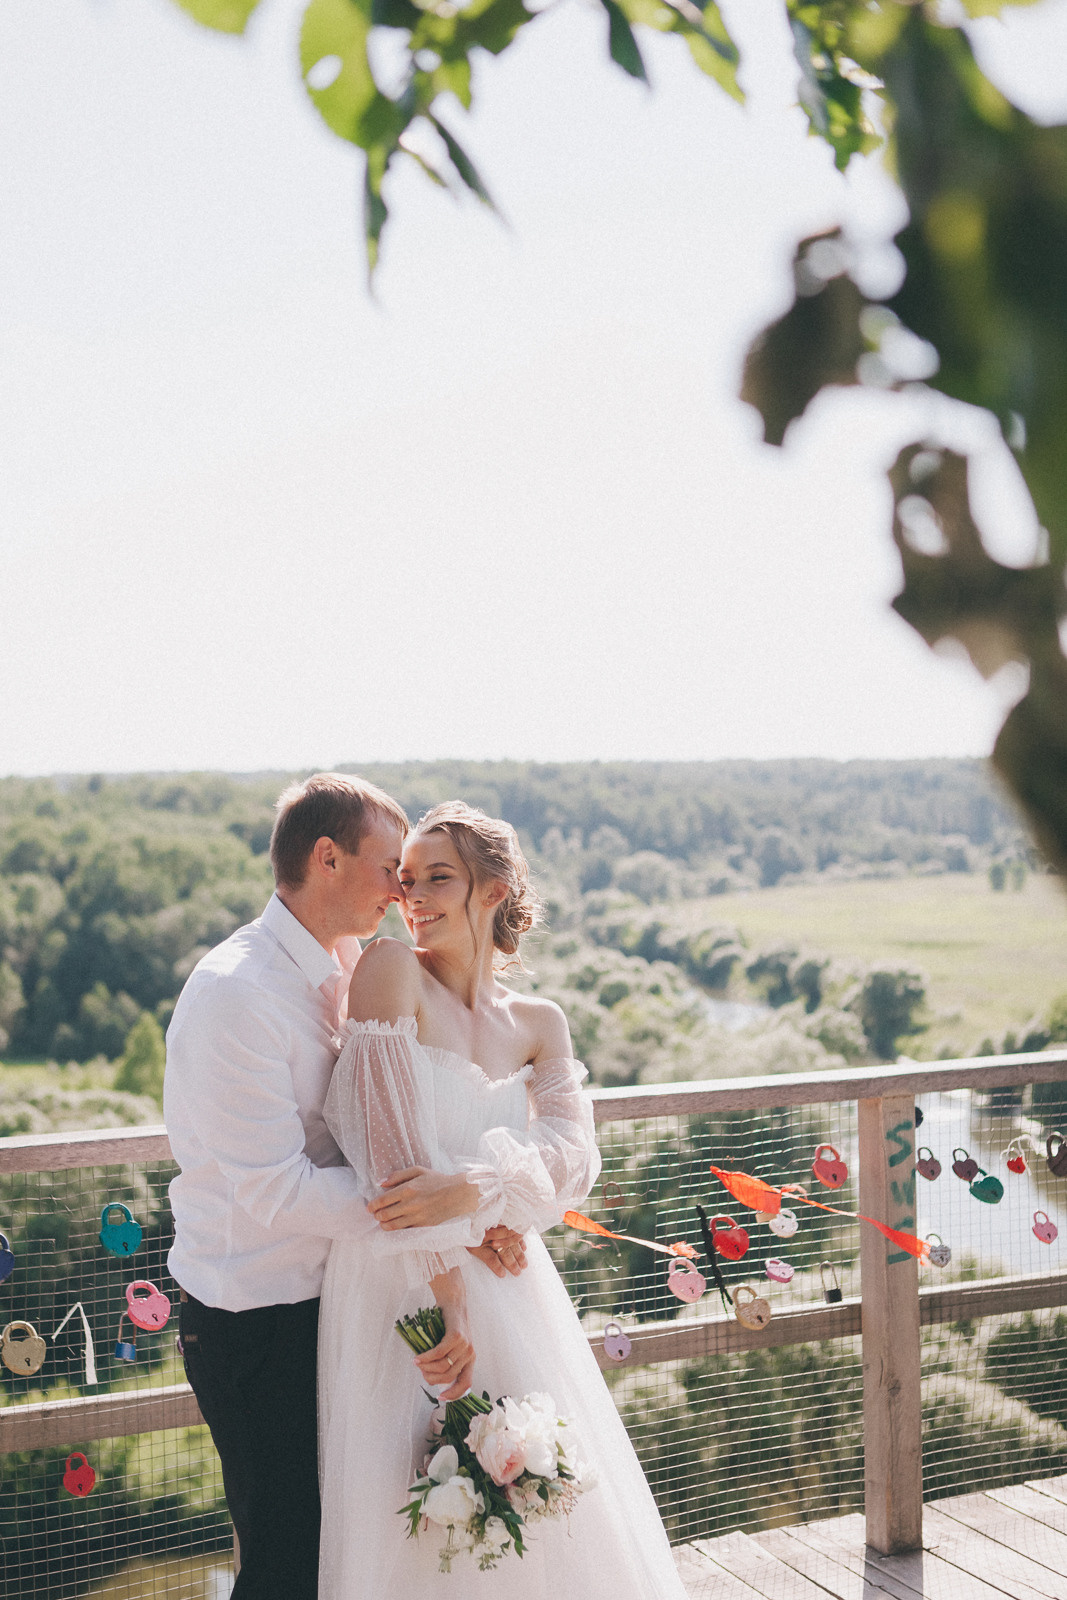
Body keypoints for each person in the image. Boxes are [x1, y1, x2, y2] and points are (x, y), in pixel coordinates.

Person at [163, 774, 528, 1599]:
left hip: (344, 1305)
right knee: (287, 1562)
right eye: (390, 867)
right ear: (326, 858)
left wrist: (462, 1203)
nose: (401, 890)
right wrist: (446, 1217)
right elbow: (278, 1190)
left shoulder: (352, 965)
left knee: (356, 1556)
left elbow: (386, 1128)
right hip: (257, 1318)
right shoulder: (235, 994)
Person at [317, 801, 690, 1598]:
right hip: (403, 1284)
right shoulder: (389, 969)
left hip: (511, 1284)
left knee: (537, 1523)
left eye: (438, 878)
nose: (413, 896)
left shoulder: (539, 1022)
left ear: (493, 891)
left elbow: (572, 1159)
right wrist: (450, 1291)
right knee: (408, 1512)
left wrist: (481, 1194)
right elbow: (388, 1158)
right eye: (406, 878)